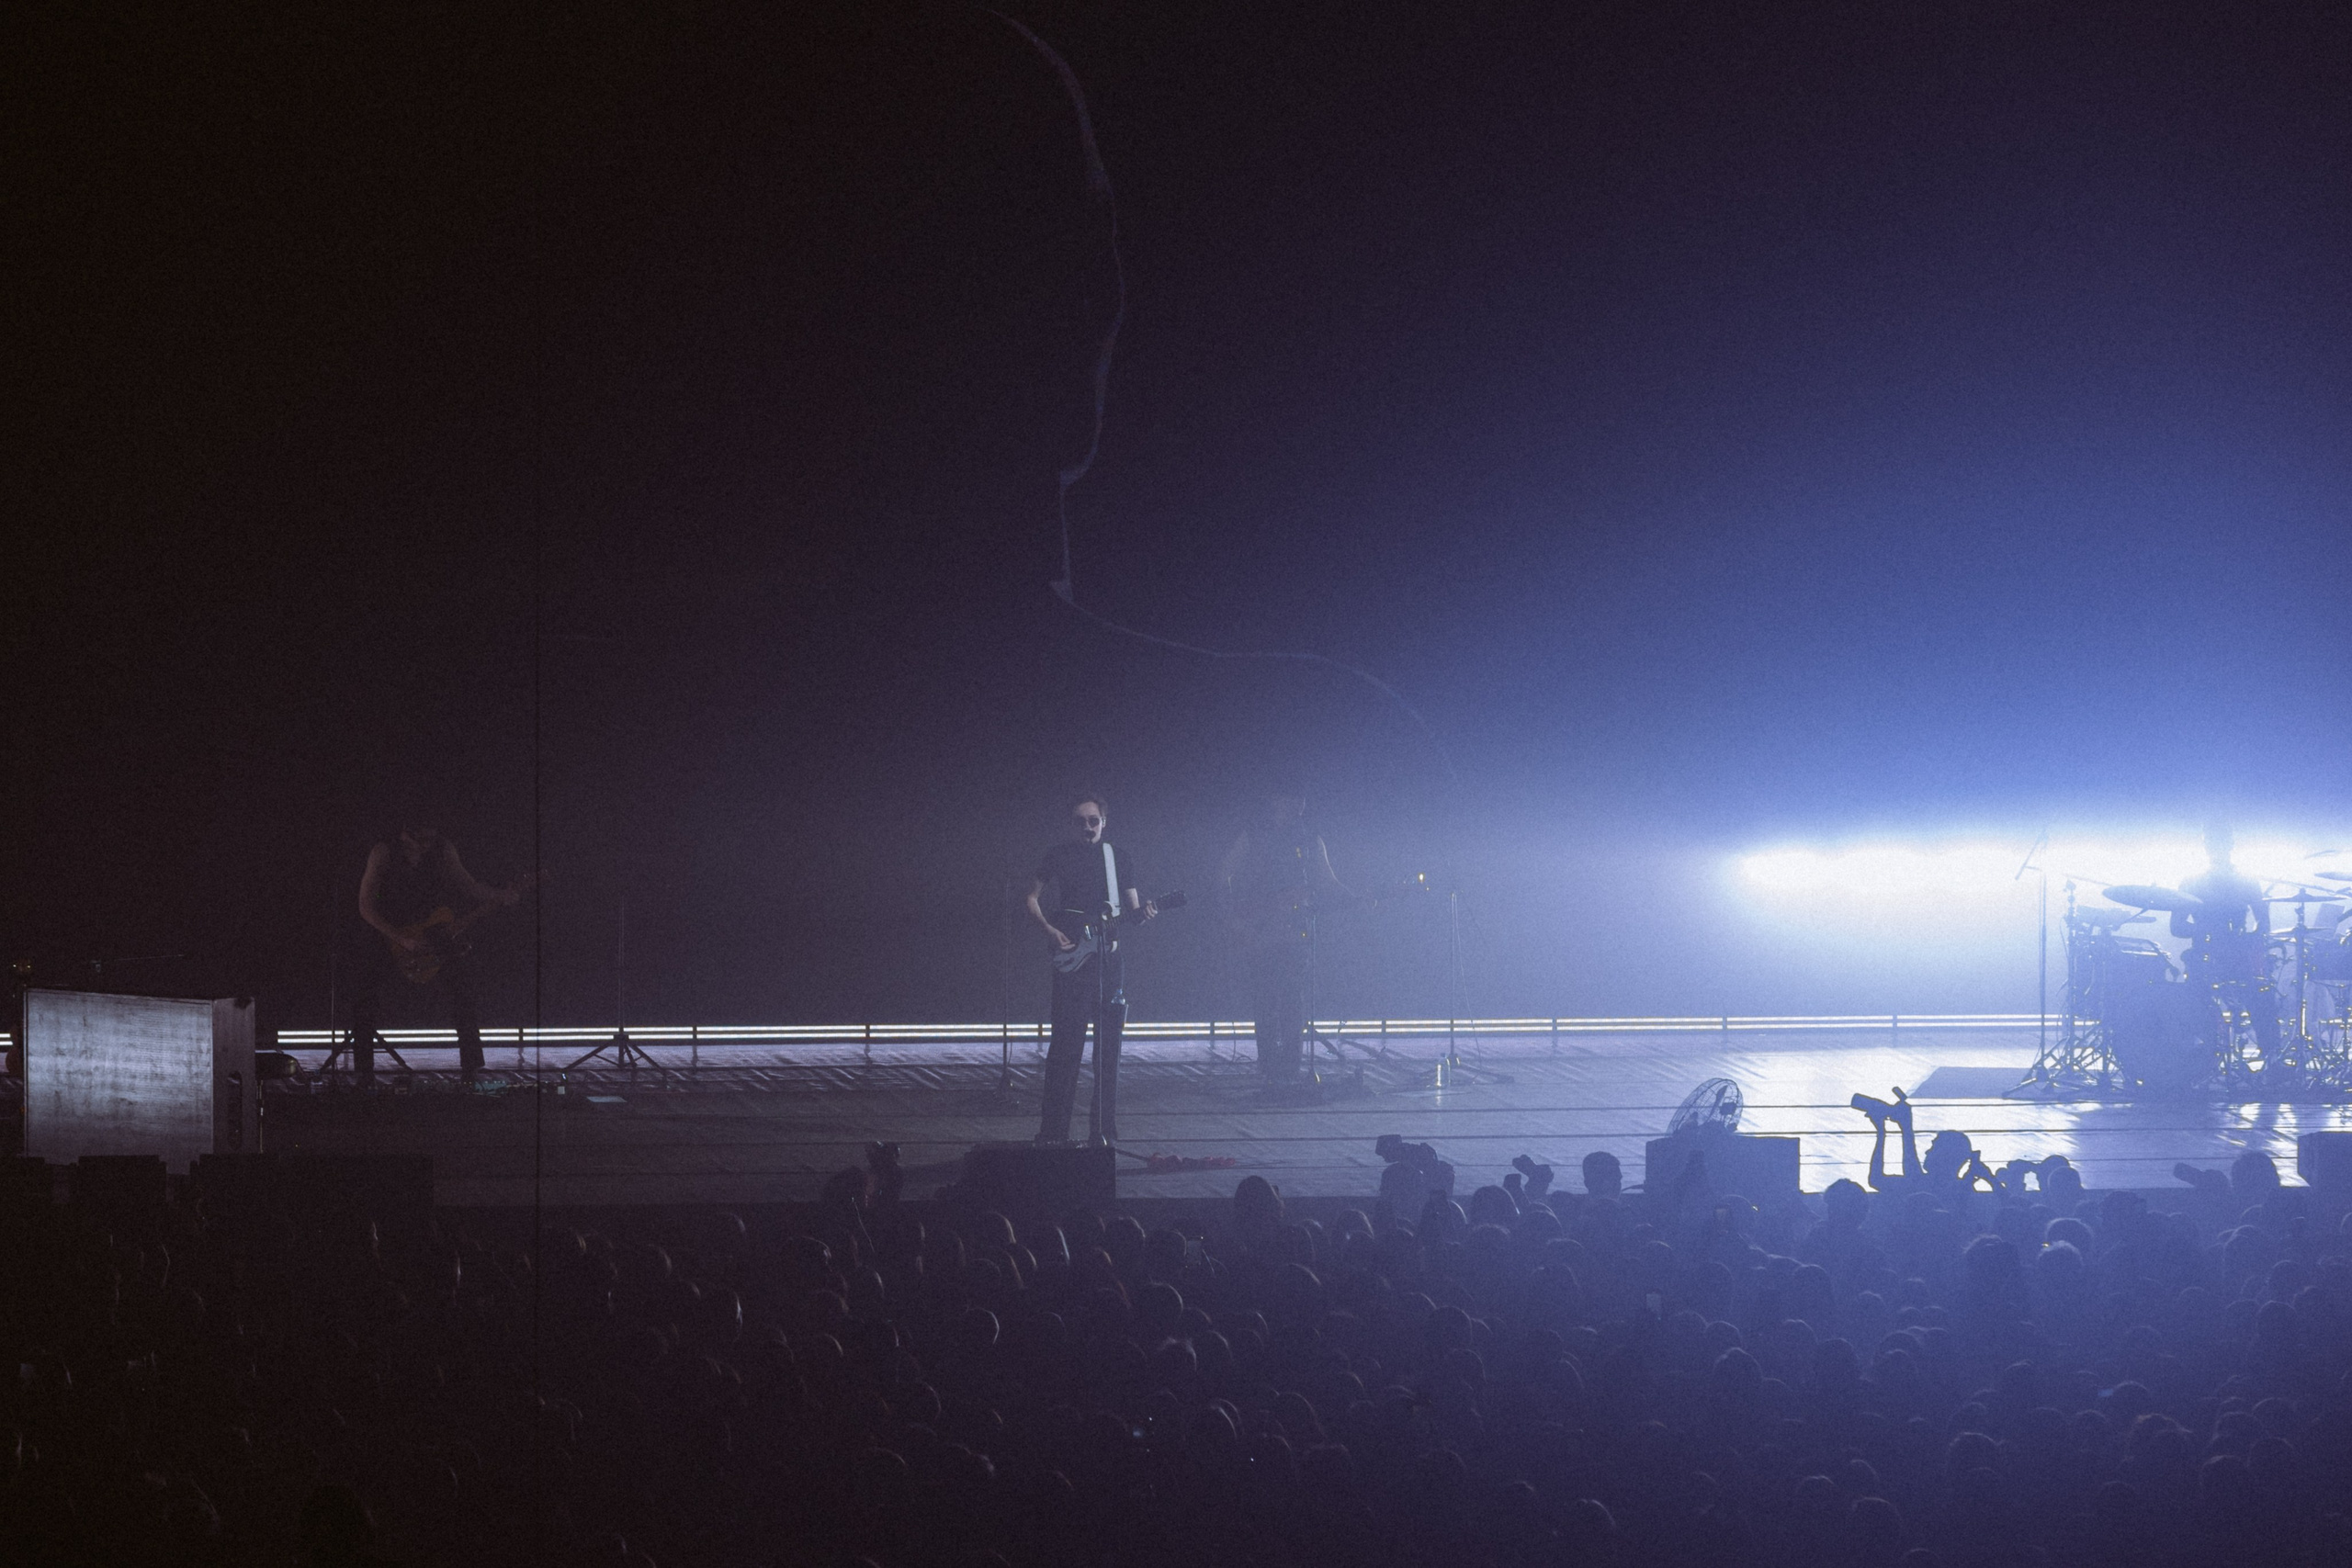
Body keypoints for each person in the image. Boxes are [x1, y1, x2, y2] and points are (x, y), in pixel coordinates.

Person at [345, 820, 520, 1086]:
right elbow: (366, 907)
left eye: (431, 840)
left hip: (431, 927)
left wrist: (499, 894)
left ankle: (471, 1069)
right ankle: (364, 1072)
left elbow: (468, 885)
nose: (426, 847)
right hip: (388, 931)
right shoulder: (383, 851)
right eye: (421, 841)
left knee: (463, 991)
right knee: (364, 996)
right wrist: (401, 938)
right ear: (406, 835)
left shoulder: (442, 849)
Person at [1025, 792, 1152, 1144]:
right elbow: (1031, 897)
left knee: (1108, 1050)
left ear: (1104, 822)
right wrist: (1050, 931)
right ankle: (1053, 1133)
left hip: (1109, 962)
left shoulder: (1118, 858)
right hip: (1072, 961)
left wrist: (1145, 914)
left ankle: (1103, 1133)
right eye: (1080, 821)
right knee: (1066, 1046)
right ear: (1072, 824)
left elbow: (1133, 912)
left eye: (1093, 821)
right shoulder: (1059, 856)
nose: (1087, 827)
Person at [1217, 784, 1351, 1085]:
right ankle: (1269, 1066)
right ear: (1276, 801)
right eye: (1291, 802)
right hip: (1262, 930)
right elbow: (1225, 869)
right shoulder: (1255, 835)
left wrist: (1357, 897)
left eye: (1301, 803)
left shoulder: (1309, 839)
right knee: (1265, 999)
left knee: (1293, 1000)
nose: (1297, 808)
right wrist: (1236, 913)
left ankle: (1291, 1068)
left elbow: (1327, 880)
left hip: (1294, 930)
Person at [2173, 821, 2281, 1066]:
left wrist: (2249, 942)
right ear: (2205, 846)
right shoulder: (2192, 881)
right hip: (2205, 954)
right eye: (2212, 842)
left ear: (2230, 844)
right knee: (2195, 1002)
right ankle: (2200, 1056)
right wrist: (2209, 931)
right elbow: (2176, 926)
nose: (2217, 847)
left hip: (2238, 955)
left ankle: (2272, 1059)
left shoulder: (2246, 880)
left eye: (2220, 841)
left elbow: (2264, 924)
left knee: (2262, 995)